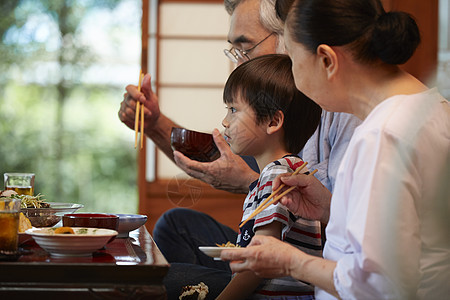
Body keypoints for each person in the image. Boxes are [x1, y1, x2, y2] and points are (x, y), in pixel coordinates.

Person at [221, 0, 450, 299]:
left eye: (291, 58)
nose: (292, 75)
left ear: (327, 60)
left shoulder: (381, 134)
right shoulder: (432, 108)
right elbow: (414, 232)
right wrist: (333, 207)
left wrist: (290, 262)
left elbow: (376, 285)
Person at [172, 54, 323, 299]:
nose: (225, 121)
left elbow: (259, 261)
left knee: (170, 279)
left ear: (273, 121)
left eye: (233, 110)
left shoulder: (278, 173)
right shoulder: (285, 168)